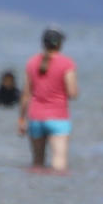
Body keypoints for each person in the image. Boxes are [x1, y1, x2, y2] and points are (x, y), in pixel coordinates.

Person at [18, 28, 78, 172]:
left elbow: (26, 94)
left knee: (37, 164)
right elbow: (72, 93)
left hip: (36, 118)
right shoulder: (66, 63)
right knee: (59, 165)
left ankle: (36, 192)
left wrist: (21, 119)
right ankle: (55, 193)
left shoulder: (32, 63)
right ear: (60, 44)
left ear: (43, 43)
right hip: (58, 119)